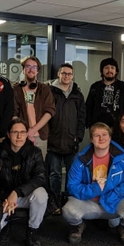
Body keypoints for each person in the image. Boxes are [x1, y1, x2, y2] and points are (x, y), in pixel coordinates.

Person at [63, 123, 124, 246]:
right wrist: (95, 189)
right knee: (68, 211)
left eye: (104, 135)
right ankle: (78, 225)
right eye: (97, 135)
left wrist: (115, 193)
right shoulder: (80, 159)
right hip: (89, 202)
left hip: (114, 201)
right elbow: (72, 186)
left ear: (110, 137)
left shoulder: (122, 157)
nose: (101, 138)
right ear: (92, 139)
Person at [0, 118, 49, 246]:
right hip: (3, 197)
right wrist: (6, 197)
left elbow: (41, 177)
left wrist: (17, 192)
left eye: (22, 132)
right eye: (15, 132)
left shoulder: (35, 152)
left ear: (27, 134)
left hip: (23, 196)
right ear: (8, 134)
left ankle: (32, 232)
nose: (19, 136)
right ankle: (5, 225)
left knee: (41, 194)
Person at [46, 63, 86, 214]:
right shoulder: (50, 91)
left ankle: (70, 204)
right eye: (64, 73)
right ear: (58, 74)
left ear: (72, 76)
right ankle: (55, 204)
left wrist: (79, 136)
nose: (66, 76)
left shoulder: (77, 94)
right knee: (54, 175)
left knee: (72, 176)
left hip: (71, 142)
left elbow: (82, 118)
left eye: (69, 74)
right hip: (53, 142)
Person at [13, 56, 55, 156]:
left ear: (37, 71)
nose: (31, 69)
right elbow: (14, 113)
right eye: (28, 66)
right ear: (23, 69)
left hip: (40, 136)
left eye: (34, 67)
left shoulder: (44, 89)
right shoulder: (16, 89)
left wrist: (33, 131)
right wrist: (25, 133)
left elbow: (50, 112)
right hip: (21, 135)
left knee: (39, 168)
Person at [85, 58, 124, 129]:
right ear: (102, 70)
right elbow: (88, 107)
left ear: (116, 71)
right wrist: (89, 124)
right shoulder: (95, 87)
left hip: (119, 127)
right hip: (98, 126)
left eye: (112, 68)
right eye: (106, 68)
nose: (109, 70)